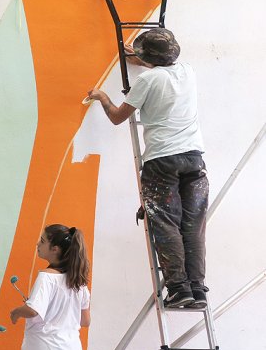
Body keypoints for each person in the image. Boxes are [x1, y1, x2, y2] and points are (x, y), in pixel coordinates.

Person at [88, 28, 208, 309]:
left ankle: (178, 289)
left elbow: (118, 117)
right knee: (193, 226)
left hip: (162, 162)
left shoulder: (146, 80)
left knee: (165, 223)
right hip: (194, 158)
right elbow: (161, 68)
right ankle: (197, 289)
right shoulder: (187, 71)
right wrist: (145, 59)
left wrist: (102, 97)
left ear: (147, 58)